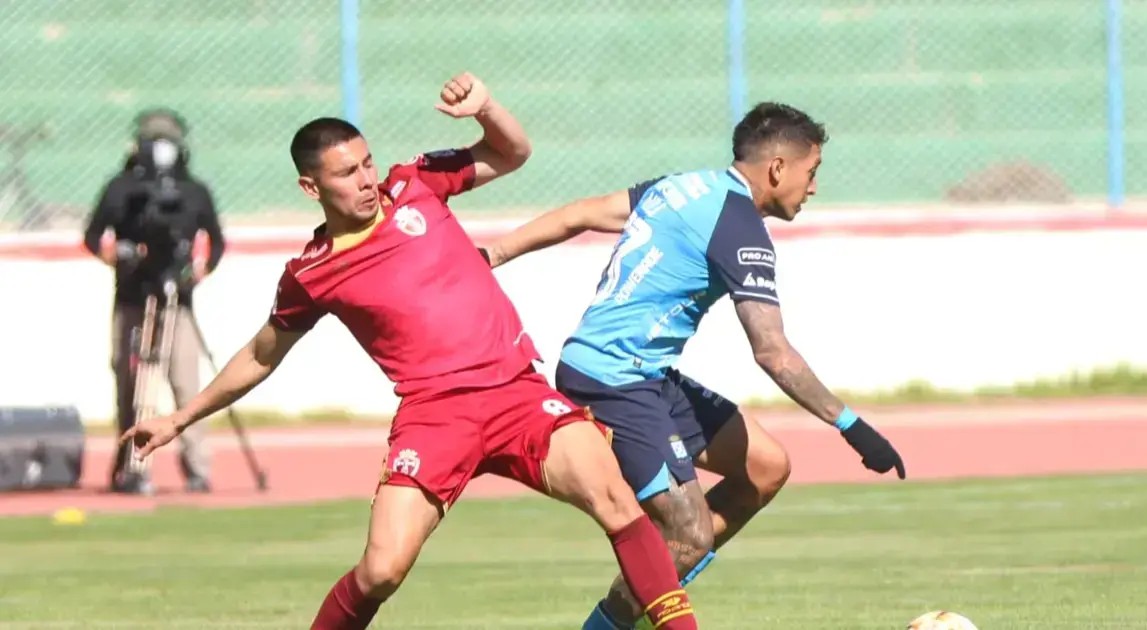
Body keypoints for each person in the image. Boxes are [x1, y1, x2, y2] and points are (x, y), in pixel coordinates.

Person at [120, 73, 700, 630]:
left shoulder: (413, 185)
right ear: (311, 187)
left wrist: (487, 107)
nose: (367, 179)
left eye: (367, 162)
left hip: (518, 393)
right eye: (347, 172)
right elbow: (261, 355)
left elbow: (512, 153)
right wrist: (180, 416)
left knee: (618, 504)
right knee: (381, 570)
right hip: (435, 415)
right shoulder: (311, 273)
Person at [477, 101, 907, 629]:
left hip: (646, 376)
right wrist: (853, 426)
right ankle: (627, 604)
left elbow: (580, 213)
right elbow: (773, 352)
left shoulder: (682, 187)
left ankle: (652, 579)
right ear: (778, 168)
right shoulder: (741, 228)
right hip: (612, 382)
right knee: (689, 535)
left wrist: (494, 254)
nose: (813, 186)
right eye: (811, 172)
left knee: (765, 469)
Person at [83, 108, 226, 495]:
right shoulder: (121, 189)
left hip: (178, 303)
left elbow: (217, 240)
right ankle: (130, 467)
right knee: (132, 387)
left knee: (187, 386)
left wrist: (198, 270)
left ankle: (197, 468)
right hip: (133, 300)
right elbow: (94, 235)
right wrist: (119, 255)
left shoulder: (194, 191)